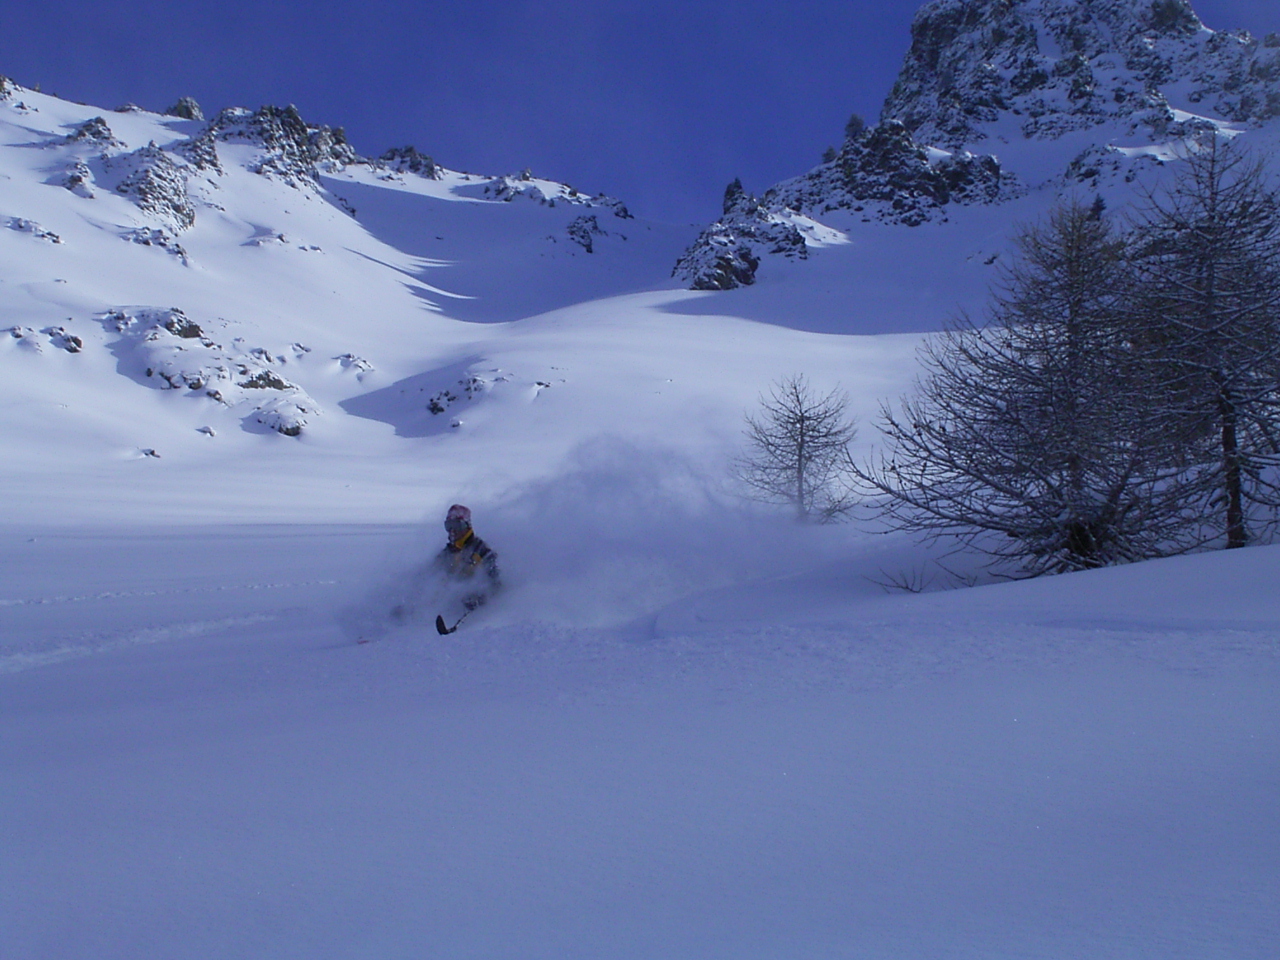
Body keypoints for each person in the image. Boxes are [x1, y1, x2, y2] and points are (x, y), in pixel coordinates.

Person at [436, 503, 501, 611]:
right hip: (452, 603)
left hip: (476, 606)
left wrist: (480, 597)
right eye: (448, 526)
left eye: (457, 526)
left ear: (467, 526)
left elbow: (495, 582)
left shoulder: (481, 550)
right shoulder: (447, 553)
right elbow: (429, 575)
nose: (452, 531)